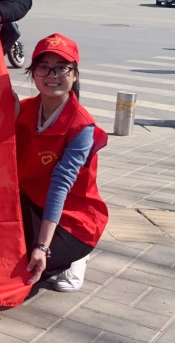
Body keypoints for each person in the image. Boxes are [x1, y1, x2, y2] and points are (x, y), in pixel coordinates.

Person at [15, 34, 108, 292]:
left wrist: (42, 247)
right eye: (43, 67)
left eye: (61, 68)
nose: (51, 75)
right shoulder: (22, 111)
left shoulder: (81, 127)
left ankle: (76, 257)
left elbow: (60, 186)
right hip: (30, 202)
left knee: (27, 269)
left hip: (72, 217)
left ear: (74, 75)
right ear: (33, 73)